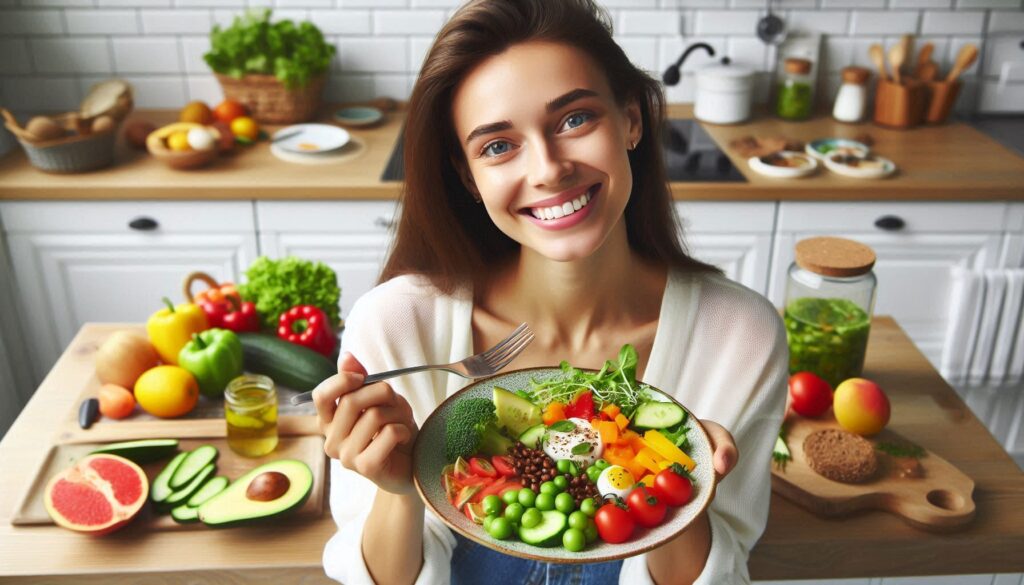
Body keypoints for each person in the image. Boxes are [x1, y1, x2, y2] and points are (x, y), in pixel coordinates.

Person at [313, 0, 789, 583]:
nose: (547, 169)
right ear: (468, 176)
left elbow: (724, 571)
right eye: (497, 146)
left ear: (632, 121)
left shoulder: (740, 336)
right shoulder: (396, 325)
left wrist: (681, 499)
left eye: (574, 120)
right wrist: (398, 488)